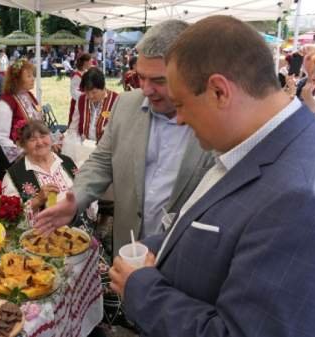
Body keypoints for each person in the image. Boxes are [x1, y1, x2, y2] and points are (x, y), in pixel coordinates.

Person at [109, 15, 315, 337]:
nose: (180, 119)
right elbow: (215, 233)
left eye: (181, 104)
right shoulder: (255, 146)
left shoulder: (301, 198)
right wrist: (160, 246)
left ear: (219, 92)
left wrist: (141, 288)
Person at [35, 20, 213, 254]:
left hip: (186, 258)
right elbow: (101, 161)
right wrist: (76, 198)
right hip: (129, 250)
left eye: (159, 80)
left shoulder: (214, 120)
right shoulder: (127, 104)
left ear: (190, 73)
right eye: (141, 77)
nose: (146, 90)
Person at [2, 120, 95, 227]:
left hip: (77, 234)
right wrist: (37, 200)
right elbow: (10, 217)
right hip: (40, 237)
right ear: (23, 145)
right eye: (32, 139)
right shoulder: (14, 175)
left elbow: (85, 192)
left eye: (43, 136)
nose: (40, 143)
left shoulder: (67, 162)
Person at [0, 59, 42, 179]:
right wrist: (22, 153)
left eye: (33, 75)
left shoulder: (28, 95)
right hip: (14, 161)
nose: (33, 79)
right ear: (17, 79)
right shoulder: (5, 104)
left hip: (32, 155)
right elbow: (1, 137)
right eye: (28, 76)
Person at [67, 67, 119, 143]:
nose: (90, 96)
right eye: (87, 92)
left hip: (106, 149)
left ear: (103, 87)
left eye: (94, 92)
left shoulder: (116, 100)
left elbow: (120, 131)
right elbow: (73, 128)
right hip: (84, 147)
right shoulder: (81, 100)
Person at [67, 53, 92, 128]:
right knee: (76, 123)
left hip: (84, 100)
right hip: (78, 102)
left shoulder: (85, 72)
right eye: (90, 61)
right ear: (85, 62)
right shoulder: (77, 75)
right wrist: (85, 96)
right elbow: (74, 91)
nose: (91, 63)